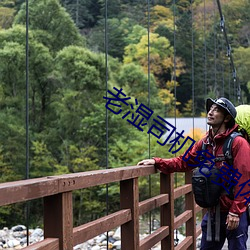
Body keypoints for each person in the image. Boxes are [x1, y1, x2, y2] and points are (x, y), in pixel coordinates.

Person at [137, 97, 250, 250]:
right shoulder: (205, 143)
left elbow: (244, 179)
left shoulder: (238, 143)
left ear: (227, 118)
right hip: (213, 211)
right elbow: (184, 162)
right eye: (210, 109)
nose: (210, 112)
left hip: (234, 211)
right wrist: (157, 162)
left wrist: (236, 212)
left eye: (216, 110)